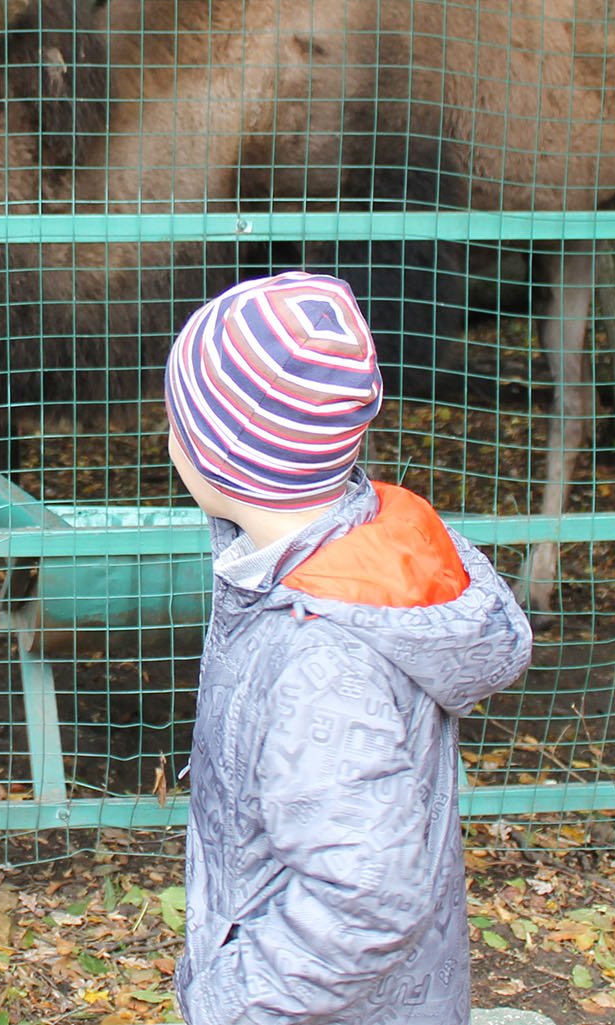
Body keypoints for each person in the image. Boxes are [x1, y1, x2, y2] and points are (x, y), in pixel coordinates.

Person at [164, 271, 533, 1025]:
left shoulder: (320, 656)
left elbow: (366, 894)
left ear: (216, 454)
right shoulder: (338, 560)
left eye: (179, 418)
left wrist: (231, 1004)